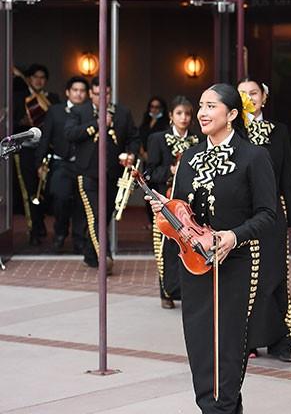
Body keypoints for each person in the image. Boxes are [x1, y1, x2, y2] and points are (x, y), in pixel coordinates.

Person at [146, 83, 276, 413]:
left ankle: (220, 408)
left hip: (238, 263)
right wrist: (165, 211)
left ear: (232, 114)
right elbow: (181, 212)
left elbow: (267, 215)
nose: (202, 113)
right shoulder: (189, 156)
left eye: (210, 107)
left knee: (229, 346)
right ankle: (214, 408)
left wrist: (233, 236)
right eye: (200, 106)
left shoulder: (254, 156)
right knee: (201, 345)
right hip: (195, 265)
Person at [239, 78, 291, 363]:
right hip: (242, 215)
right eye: (242, 94)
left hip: (274, 214)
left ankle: (281, 342)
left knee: (276, 275)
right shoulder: (234, 131)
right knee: (246, 278)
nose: (248, 98)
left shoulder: (279, 132)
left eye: (253, 93)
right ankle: (249, 341)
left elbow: (287, 178)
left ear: (264, 97)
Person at [65, 77, 140, 274]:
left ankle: (91, 255)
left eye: (106, 94)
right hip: (87, 173)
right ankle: (104, 258)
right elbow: (70, 134)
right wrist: (96, 124)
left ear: (110, 93)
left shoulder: (123, 113)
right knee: (96, 214)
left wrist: (131, 154)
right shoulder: (78, 111)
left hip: (113, 174)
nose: (102, 97)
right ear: (91, 93)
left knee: (104, 216)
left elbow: (133, 138)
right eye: (98, 94)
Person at [145, 96, 200, 309]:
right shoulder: (158, 138)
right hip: (164, 202)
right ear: (171, 116)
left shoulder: (197, 140)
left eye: (187, 114)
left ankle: (186, 291)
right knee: (162, 247)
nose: (184, 118)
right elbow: (150, 172)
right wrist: (170, 171)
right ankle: (165, 292)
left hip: (187, 204)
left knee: (187, 244)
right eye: (179, 113)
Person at [34, 76, 90, 254]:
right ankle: (59, 233)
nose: (78, 94)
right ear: (68, 92)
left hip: (84, 165)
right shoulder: (55, 111)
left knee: (83, 203)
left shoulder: (91, 112)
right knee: (60, 198)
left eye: (82, 91)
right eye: (75, 90)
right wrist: (39, 162)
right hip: (61, 163)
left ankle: (79, 238)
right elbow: (46, 137)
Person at [12, 64, 60, 245]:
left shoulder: (52, 99)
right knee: (29, 189)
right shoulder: (19, 98)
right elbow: (12, 125)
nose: (38, 80)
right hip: (25, 149)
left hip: (47, 148)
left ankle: (47, 225)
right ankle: (34, 228)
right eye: (35, 77)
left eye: (42, 77)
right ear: (29, 79)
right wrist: (22, 122)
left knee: (46, 188)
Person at [139, 96, 170, 229]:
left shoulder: (164, 124)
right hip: (147, 160)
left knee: (159, 191)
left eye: (157, 107)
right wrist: (142, 153)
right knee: (148, 190)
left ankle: (159, 222)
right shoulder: (146, 121)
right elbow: (140, 137)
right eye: (152, 107)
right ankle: (151, 222)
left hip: (160, 161)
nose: (155, 109)